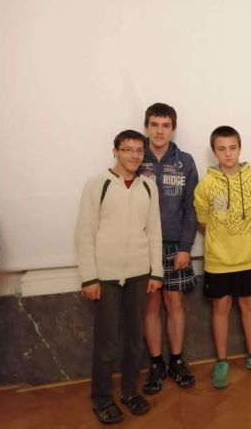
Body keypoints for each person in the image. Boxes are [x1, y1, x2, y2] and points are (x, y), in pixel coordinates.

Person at [75, 130, 163, 425]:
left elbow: (154, 232)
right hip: (106, 277)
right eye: (127, 149)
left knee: (135, 340)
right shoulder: (97, 185)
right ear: (115, 151)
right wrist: (90, 278)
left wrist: (156, 272)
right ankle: (102, 398)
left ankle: (129, 392)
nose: (134, 155)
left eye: (139, 150)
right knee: (107, 342)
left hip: (140, 274)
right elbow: (84, 234)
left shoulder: (148, 186)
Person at [194, 126, 251, 389]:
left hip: (247, 258)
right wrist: (220, 239)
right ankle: (222, 361)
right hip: (218, 261)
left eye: (232, 148)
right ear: (214, 152)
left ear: (240, 148)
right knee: (221, 309)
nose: (228, 153)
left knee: (249, 306)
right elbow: (202, 220)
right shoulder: (206, 184)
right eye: (221, 149)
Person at [140, 103, 199, 394]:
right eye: (154, 124)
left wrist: (186, 247)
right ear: (146, 127)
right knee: (151, 304)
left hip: (176, 245)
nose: (159, 131)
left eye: (165, 125)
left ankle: (176, 360)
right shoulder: (136, 157)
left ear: (173, 128)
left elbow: (191, 207)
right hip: (143, 246)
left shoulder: (185, 161)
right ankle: (156, 363)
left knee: (174, 303)